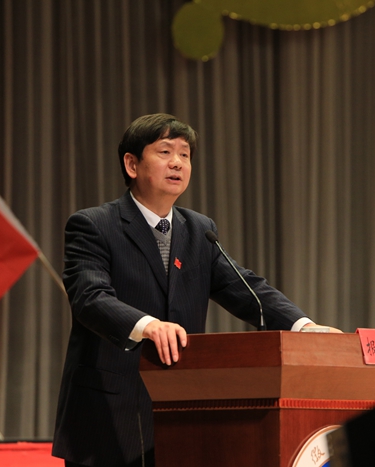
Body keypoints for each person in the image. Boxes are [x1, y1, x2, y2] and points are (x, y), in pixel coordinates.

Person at [52, 113, 339, 467]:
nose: (177, 162)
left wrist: (304, 327)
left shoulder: (199, 231)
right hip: (109, 417)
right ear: (131, 164)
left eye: (185, 154)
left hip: (181, 414)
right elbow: (89, 297)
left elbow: (246, 288)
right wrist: (148, 325)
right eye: (165, 151)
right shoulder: (94, 225)